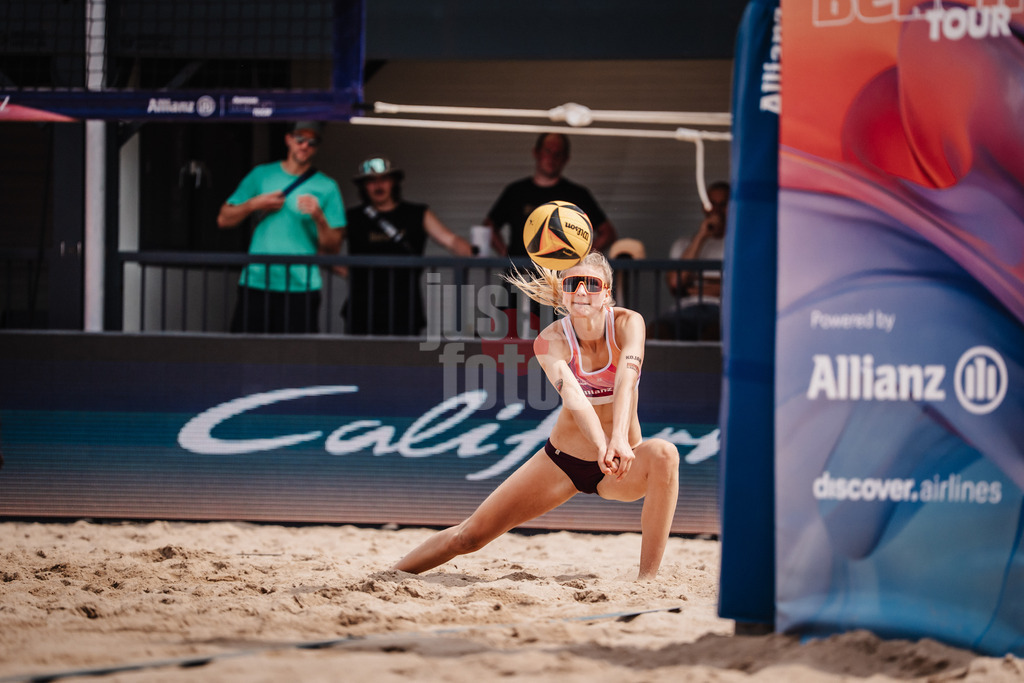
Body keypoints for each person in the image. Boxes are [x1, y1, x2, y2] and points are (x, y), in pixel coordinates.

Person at [391, 252, 680, 580]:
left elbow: (627, 382)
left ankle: (646, 582)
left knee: (664, 455)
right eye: (573, 284)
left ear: (608, 293)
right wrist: (602, 444)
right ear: (563, 293)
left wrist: (617, 441)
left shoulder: (629, 323)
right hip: (563, 461)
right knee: (469, 537)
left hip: (620, 462)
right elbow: (575, 399)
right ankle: (391, 575)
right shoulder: (551, 339)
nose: (582, 291)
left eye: (592, 284)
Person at [217, 121, 345, 333]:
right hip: (257, 279)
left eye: (312, 142)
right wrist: (254, 204)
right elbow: (223, 219)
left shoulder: (327, 186)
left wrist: (319, 217)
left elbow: (333, 247)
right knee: (246, 352)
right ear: (288, 139)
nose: (305, 145)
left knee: (297, 355)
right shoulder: (261, 175)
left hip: (301, 284)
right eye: (300, 139)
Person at [341, 156, 474, 335]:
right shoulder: (352, 217)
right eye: (371, 181)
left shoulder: (417, 213)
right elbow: (325, 248)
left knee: (402, 360)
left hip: (404, 307)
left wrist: (472, 251)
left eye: (384, 179)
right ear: (363, 186)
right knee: (358, 361)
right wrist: (349, 274)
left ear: (394, 182)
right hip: (361, 307)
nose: (378, 186)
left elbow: (449, 240)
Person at [484, 133, 618, 257]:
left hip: (560, 278)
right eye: (547, 151)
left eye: (558, 154)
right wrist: (506, 255)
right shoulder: (515, 192)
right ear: (536, 153)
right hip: (521, 275)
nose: (552, 158)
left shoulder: (577, 195)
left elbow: (607, 233)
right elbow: (488, 227)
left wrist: (581, 259)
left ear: (566, 159)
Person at [653, 181, 730, 341]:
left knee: (713, 336)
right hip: (684, 310)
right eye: (711, 204)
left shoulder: (738, 246)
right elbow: (676, 283)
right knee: (656, 331)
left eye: (723, 205)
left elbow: (738, 288)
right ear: (704, 207)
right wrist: (701, 237)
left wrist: (693, 289)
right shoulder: (683, 245)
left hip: (721, 311)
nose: (716, 211)